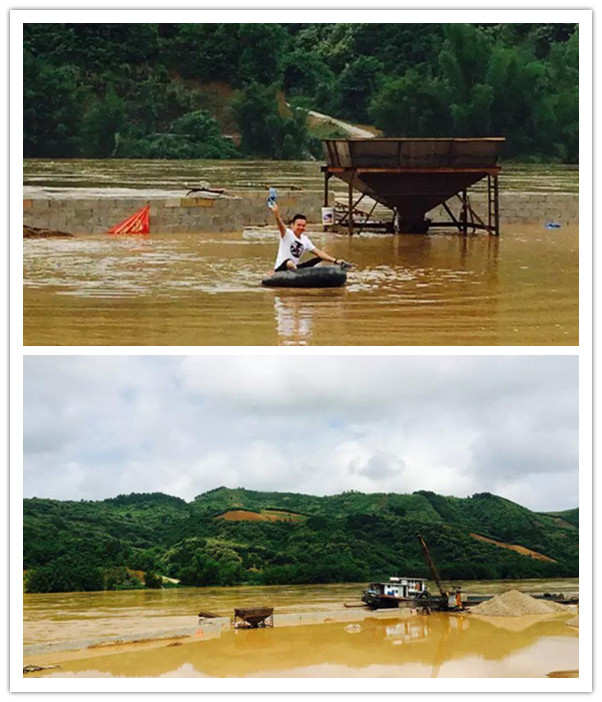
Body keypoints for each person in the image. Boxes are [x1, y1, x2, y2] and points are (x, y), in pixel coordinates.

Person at [270, 203, 348, 272]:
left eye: (303, 226)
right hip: (282, 268)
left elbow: (318, 253)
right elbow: (280, 225)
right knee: (289, 262)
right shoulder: (287, 234)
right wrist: (276, 214)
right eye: (299, 225)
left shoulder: (305, 240)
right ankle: (297, 272)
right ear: (292, 225)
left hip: (295, 268)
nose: (301, 227)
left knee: (319, 258)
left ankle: (297, 271)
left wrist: (335, 261)